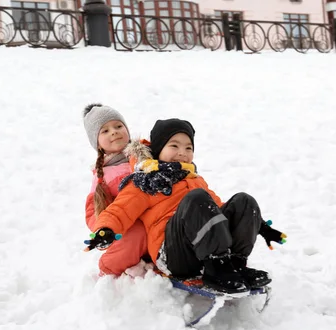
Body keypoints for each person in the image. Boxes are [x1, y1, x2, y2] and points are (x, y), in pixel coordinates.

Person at [85, 118, 286, 293]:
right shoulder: (144, 182)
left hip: (200, 248)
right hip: (173, 253)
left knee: (243, 200)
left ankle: (234, 263)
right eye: (174, 146)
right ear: (158, 149)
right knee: (197, 199)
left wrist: (257, 223)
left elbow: (219, 209)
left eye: (188, 148)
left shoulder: (194, 179)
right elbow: (120, 209)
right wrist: (104, 230)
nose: (182, 152)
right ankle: (216, 267)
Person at [82, 103, 149, 277]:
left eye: (118, 126)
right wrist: (103, 229)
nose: (114, 132)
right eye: (105, 131)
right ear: (97, 143)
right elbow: (94, 209)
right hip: (128, 225)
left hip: (155, 214)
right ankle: (109, 268)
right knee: (137, 234)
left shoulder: (146, 155)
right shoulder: (103, 176)